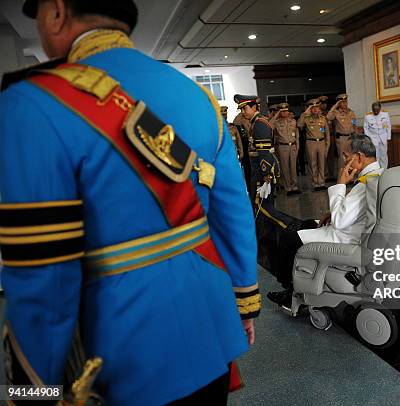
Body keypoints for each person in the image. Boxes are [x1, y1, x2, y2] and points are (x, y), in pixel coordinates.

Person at [0, 1, 259, 404]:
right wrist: (244, 301)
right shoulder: (198, 96)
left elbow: (43, 277)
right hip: (210, 324)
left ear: (55, 12)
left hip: (116, 353)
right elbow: (233, 211)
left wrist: (31, 392)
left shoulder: (31, 102)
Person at [267, 134, 383, 307]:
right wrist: (331, 211)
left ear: (359, 157)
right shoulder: (379, 173)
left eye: (346, 155)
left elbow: (340, 221)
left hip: (346, 238)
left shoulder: (367, 184)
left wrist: (340, 183)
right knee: (306, 224)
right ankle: (299, 279)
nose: (343, 160)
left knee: (288, 239)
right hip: (353, 230)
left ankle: (290, 290)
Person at [298, 98, 330, 190]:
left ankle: (322, 182)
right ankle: (315, 183)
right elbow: (300, 125)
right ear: (310, 109)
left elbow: (326, 133)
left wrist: (327, 145)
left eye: (317, 107)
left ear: (319, 108)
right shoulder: (306, 119)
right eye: (313, 108)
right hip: (311, 142)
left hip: (321, 142)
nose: (315, 110)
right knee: (313, 164)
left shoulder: (323, 119)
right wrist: (305, 112)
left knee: (322, 163)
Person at [271, 102, 301, 195]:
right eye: (282, 111)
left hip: (292, 146)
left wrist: (297, 147)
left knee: (293, 167)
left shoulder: (293, 121)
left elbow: (297, 135)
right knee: (285, 168)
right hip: (282, 146)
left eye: (286, 111)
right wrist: (276, 114)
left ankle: (294, 186)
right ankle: (288, 188)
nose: (285, 113)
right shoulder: (276, 122)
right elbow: (269, 125)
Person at [327, 93, 358, 170]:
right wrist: (335, 106)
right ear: (339, 103)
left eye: (346, 102)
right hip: (341, 139)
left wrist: (357, 136)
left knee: (352, 157)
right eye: (342, 102)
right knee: (342, 159)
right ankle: (342, 177)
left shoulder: (351, 112)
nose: (345, 104)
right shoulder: (336, 112)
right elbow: (328, 117)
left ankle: (351, 177)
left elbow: (354, 124)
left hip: (351, 137)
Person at [363, 101, 392, 168]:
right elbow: (366, 128)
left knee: (384, 155)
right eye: (374, 110)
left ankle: (384, 169)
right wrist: (369, 139)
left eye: (377, 110)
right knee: (376, 155)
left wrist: (388, 138)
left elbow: (388, 126)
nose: (376, 111)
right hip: (373, 138)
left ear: (380, 108)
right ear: (372, 109)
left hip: (383, 137)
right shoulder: (368, 116)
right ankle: (377, 169)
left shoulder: (385, 114)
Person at [319, 95, 337, 181]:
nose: (324, 105)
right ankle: (325, 175)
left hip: (331, 136)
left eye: (325, 103)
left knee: (331, 157)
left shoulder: (330, 113)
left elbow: (334, 125)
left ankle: (331, 174)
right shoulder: (318, 115)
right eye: (322, 104)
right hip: (322, 138)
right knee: (323, 157)